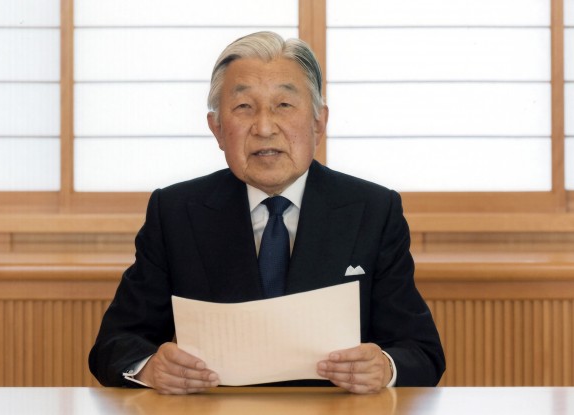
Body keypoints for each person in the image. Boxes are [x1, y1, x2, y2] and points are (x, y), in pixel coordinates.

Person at [88, 31, 445, 395]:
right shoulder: (177, 211)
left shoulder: (373, 210)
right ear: (217, 129)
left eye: (284, 106)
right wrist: (150, 368)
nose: (263, 127)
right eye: (244, 107)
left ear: (319, 123)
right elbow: (115, 344)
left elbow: (422, 352)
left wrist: (384, 366)